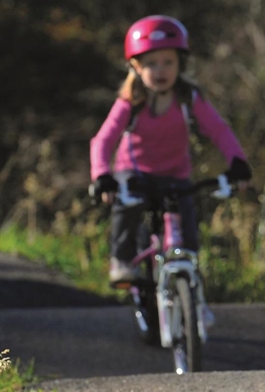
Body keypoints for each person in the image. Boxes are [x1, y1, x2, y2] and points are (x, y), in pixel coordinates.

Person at [90, 15, 252, 286]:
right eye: (151, 64)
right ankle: (121, 259)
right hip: (135, 172)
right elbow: (103, 139)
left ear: (181, 63)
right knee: (126, 207)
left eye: (168, 62)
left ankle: (191, 291)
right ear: (136, 67)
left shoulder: (189, 98)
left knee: (188, 233)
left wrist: (238, 162)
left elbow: (219, 130)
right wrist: (101, 174)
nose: (161, 70)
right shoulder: (130, 101)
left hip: (176, 176)